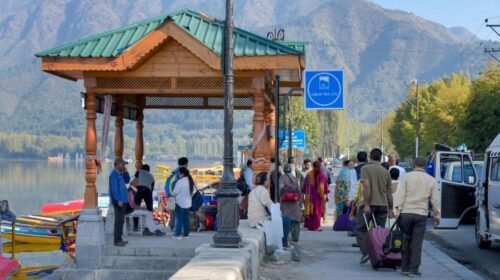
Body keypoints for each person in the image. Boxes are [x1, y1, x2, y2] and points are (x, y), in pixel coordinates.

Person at [394, 157, 441, 278]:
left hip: (406, 213)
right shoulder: (431, 180)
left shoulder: (407, 177)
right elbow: (435, 200)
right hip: (421, 214)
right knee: (417, 243)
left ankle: (404, 267)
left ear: (413, 164)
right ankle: (413, 270)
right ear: (425, 166)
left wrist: (397, 210)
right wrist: (437, 214)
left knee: (406, 241)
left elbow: (400, 195)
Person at [355, 148, 393, 264]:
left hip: (369, 204)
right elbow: (389, 192)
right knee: (379, 232)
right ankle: (380, 254)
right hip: (382, 205)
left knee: (360, 229)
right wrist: (391, 208)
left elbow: (366, 186)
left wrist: (366, 204)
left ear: (369, 157)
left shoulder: (365, 169)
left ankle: (367, 252)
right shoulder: (386, 171)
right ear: (381, 157)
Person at [302, 161, 330, 231]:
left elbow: (305, 186)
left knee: (312, 211)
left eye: (318, 167)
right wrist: (326, 195)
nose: (317, 168)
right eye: (317, 166)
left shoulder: (309, 174)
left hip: (313, 196)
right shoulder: (321, 175)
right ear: (314, 166)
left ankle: (310, 225)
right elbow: (325, 187)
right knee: (316, 212)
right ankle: (315, 226)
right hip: (317, 197)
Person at [109, 158, 130, 247]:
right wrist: (118, 200)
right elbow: (114, 189)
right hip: (119, 202)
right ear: (117, 164)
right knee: (118, 221)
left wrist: (125, 172)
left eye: (124, 164)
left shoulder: (120, 174)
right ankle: (117, 241)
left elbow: (127, 180)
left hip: (123, 201)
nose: (123, 166)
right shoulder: (114, 175)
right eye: (122, 164)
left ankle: (120, 239)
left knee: (121, 221)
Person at [279, 164, 301, 248]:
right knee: (295, 220)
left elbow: (280, 190)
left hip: (285, 203)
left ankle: (287, 239)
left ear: (284, 170)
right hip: (295, 203)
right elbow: (299, 191)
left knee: (286, 220)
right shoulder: (295, 179)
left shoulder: (282, 178)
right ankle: (295, 239)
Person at [165, 157, 189, 231]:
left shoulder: (173, 171)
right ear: (186, 164)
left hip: (169, 194)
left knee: (172, 213)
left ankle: (172, 227)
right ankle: (179, 229)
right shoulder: (183, 171)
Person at [171, 167, 194, 239]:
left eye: (179, 173)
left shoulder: (180, 182)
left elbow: (174, 193)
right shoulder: (190, 181)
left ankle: (177, 234)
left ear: (182, 174)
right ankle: (186, 234)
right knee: (186, 219)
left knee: (179, 219)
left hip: (180, 203)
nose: (178, 175)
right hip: (187, 203)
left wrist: (172, 194)